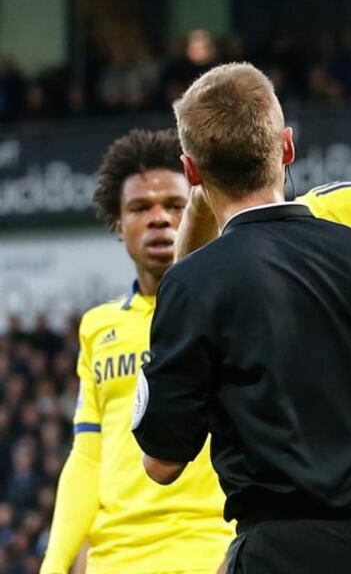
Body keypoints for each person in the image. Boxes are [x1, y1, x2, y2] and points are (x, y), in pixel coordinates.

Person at [131, 62, 351, 573]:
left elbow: (161, 463)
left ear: (191, 173)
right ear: (287, 148)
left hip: (282, 551)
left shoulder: (194, 284)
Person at [40, 129, 233, 573]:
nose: (159, 219)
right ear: (118, 223)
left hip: (211, 553)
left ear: (201, 211)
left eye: (174, 205)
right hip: (115, 561)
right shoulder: (98, 327)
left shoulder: (238, 311)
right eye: (140, 208)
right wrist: (54, 563)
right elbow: (87, 455)